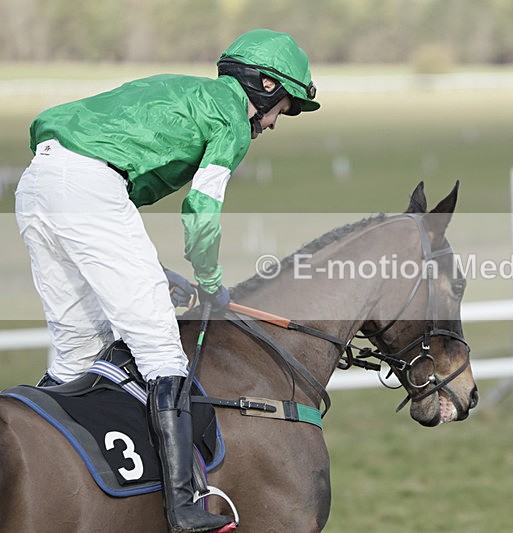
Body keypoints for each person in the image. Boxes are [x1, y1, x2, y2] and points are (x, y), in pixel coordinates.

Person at [14, 29, 319, 532]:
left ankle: (47, 469)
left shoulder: (183, 91)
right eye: (281, 108)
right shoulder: (232, 118)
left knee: (77, 350)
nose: (274, 122)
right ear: (264, 86)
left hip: (40, 182)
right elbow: (200, 209)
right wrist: (209, 280)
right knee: (161, 351)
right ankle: (183, 507)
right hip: (90, 188)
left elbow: (98, 223)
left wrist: (166, 277)